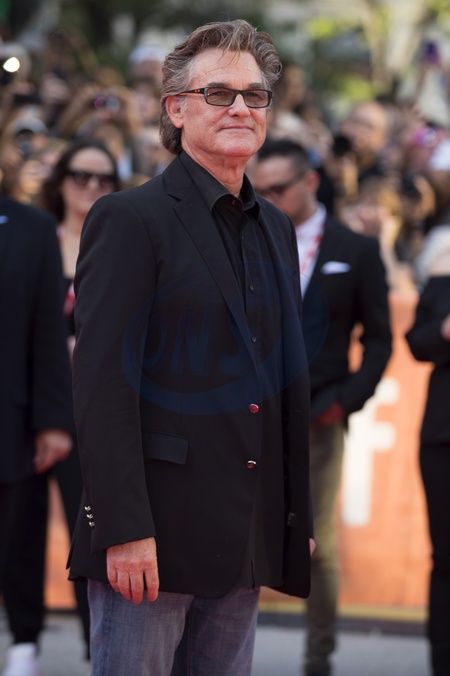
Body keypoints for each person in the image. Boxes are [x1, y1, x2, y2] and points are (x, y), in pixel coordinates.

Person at [67, 19, 313, 676]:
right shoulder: (129, 218)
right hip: (152, 538)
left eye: (254, 95)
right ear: (176, 109)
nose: (240, 108)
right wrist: (122, 528)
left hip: (245, 537)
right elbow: (101, 386)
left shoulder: (277, 228)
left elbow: (284, 381)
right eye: (219, 94)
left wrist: (294, 518)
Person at [251, 138, 392, 676]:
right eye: (260, 190)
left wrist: (344, 402)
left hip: (317, 417)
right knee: (233, 529)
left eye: (278, 189)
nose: (268, 198)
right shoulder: (246, 236)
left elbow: (379, 340)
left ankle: (318, 662)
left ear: (310, 182)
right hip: (248, 414)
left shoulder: (354, 249)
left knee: (320, 543)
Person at [2, 139, 121, 674]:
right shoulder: (31, 234)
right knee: (21, 527)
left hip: (97, 411)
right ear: (61, 181)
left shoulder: (123, 241)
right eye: (81, 175)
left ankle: (97, 647)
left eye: (104, 178)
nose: (91, 186)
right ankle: (24, 640)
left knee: (90, 529)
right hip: (32, 405)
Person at [0, 192, 73, 675]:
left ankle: (23, 643)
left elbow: (48, 329)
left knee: (16, 538)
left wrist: (53, 420)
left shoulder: (32, 227)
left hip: (8, 420)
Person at [405, 224, 450, 676]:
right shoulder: (442, 275)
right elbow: (417, 342)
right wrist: (444, 329)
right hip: (442, 436)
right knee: (446, 556)